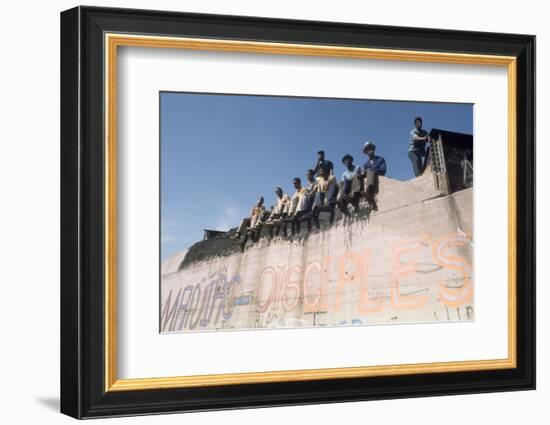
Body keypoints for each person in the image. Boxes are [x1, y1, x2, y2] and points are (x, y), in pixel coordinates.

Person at [362, 142, 386, 211]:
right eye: (368, 149)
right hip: (369, 179)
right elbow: (364, 174)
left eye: (371, 148)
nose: (370, 150)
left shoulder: (380, 159)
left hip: (377, 176)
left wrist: (372, 170)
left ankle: (368, 192)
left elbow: (383, 170)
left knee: (370, 171)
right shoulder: (366, 164)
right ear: (366, 152)